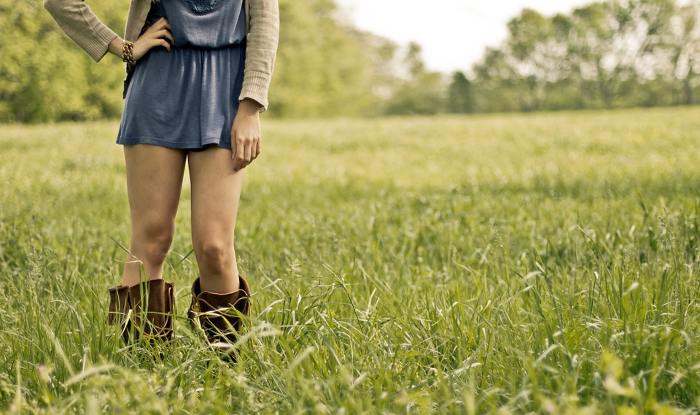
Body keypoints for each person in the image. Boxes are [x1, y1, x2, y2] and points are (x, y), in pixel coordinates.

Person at [44, 0, 279, 354]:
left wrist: (251, 105)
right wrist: (122, 47)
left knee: (215, 246)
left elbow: (264, 23)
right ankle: (142, 373)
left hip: (226, 89)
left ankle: (227, 375)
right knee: (151, 238)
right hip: (158, 84)